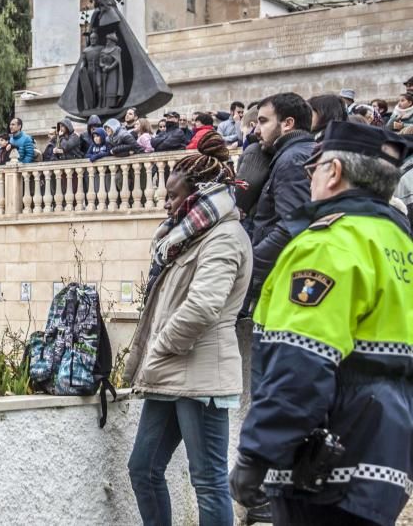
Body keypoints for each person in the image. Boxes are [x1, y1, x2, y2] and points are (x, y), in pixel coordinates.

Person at [230, 121, 412, 526]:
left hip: (324, 467)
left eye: (313, 170)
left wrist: (257, 455)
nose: (310, 179)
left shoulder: (328, 244)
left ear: (333, 172)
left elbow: (302, 361)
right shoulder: (400, 244)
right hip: (386, 458)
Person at [126, 131, 252, 526]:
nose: (167, 204)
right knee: (142, 469)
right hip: (170, 374)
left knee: (208, 482)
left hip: (202, 376)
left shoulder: (224, 236)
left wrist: (160, 347)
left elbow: (202, 307)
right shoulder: (185, 238)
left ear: (199, 193)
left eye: (174, 196)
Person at [246, 93, 315, 309]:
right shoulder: (295, 154)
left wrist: (251, 265)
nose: (257, 130)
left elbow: (293, 225)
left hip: (284, 274)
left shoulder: (292, 159)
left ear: (287, 124)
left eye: (263, 121)